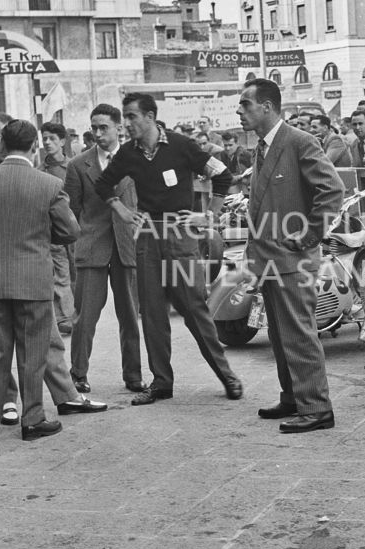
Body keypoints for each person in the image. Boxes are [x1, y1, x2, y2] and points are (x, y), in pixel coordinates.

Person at [0, 113, 107, 425]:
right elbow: (71, 231)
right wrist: (43, 236)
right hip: (33, 281)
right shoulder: (49, 184)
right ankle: (33, 420)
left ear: (3, 145)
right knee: (33, 353)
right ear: (35, 146)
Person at [94, 92, 243, 405]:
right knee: (151, 312)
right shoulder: (128, 153)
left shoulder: (182, 145)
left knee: (194, 308)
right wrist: (122, 211)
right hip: (148, 237)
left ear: (149, 117)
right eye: (125, 117)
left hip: (180, 236)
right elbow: (103, 183)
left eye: (132, 116)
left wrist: (209, 216)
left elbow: (223, 175)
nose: (127, 124)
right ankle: (161, 382)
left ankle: (227, 375)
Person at [237, 79, 344, 433]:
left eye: (246, 104)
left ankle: (316, 408)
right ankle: (293, 397)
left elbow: (332, 190)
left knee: (298, 334)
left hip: (293, 259)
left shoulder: (299, 141)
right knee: (280, 336)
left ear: (267, 107)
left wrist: (310, 234)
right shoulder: (262, 147)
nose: (239, 111)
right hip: (269, 259)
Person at [65, 104, 144, 395]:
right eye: (94, 128)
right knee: (85, 316)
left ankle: (133, 375)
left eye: (104, 128)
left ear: (119, 128)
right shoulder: (78, 165)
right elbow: (71, 211)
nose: (98, 133)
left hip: (127, 245)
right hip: (92, 246)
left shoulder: (137, 160)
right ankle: (78, 374)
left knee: (130, 315)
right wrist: (79, 241)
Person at [40, 122, 77, 335]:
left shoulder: (74, 167)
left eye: (52, 138)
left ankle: (75, 313)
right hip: (53, 231)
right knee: (60, 275)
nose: (47, 142)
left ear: (62, 141)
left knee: (76, 273)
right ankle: (65, 317)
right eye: (44, 138)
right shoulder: (39, 171)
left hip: (75, 229)